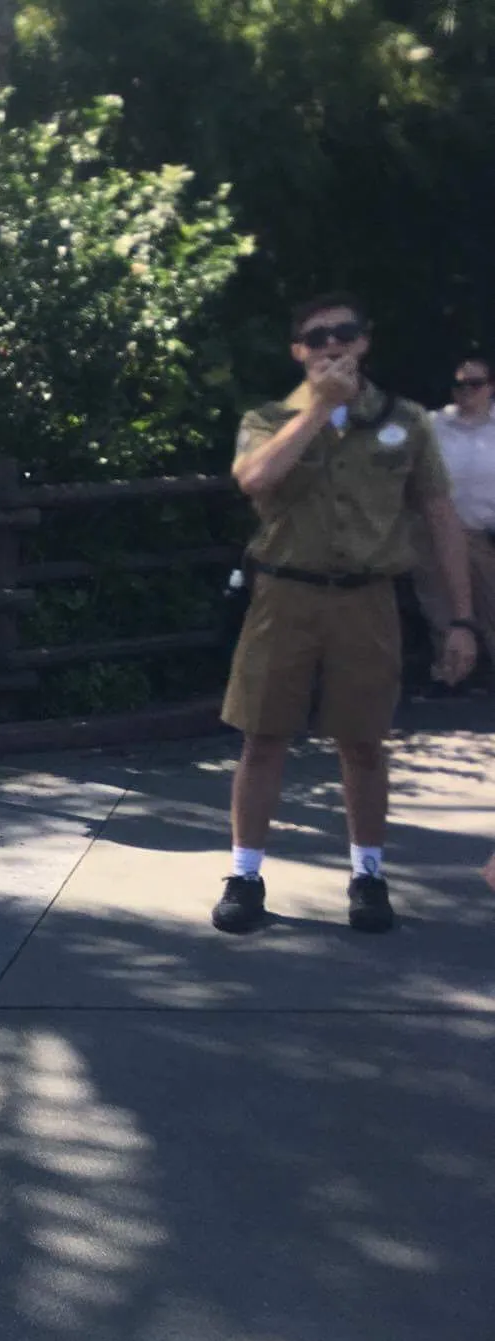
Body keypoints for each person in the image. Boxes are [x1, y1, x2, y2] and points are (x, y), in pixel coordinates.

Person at [215, 295, 478, 936]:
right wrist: (319, 411)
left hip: (367, 598)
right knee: (264, 737)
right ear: (299, 350)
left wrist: (461, 620)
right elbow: (255, 479)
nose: (333, 344)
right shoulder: (269, 417)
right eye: (317, 336)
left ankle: (368, 875)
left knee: (363, 741)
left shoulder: (406, 422)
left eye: (345, 333)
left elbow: (441, 518)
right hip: (285, 595)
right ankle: (245, 875)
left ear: (364, 342)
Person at [411, 354, 495, 676]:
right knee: (443, 611)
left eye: (475, 384)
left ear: (490, 387)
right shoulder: (431, 426)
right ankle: (450, 681)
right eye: (459, 384)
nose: (466, 391)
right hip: (437, 535)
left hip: (485, 534)